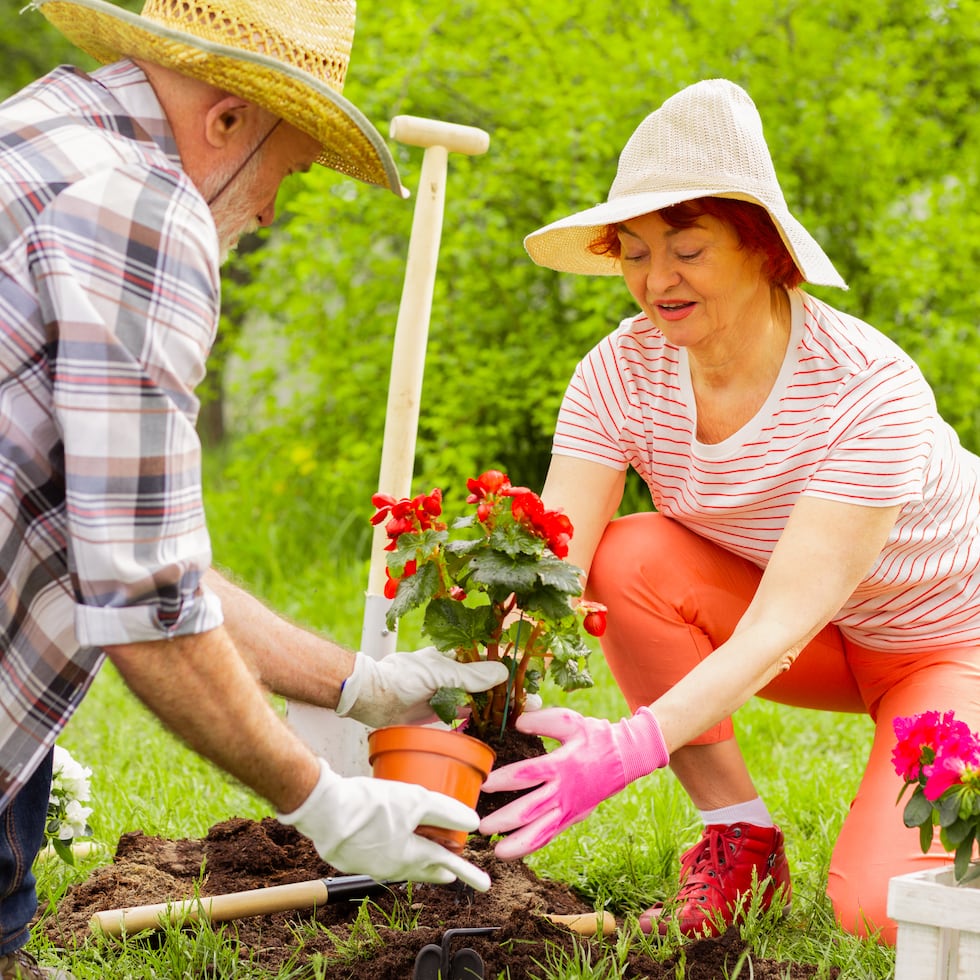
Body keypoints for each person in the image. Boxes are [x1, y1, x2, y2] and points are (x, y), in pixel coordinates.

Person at [0, 1, 509, 976]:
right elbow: (149, 605)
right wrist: (323, 800)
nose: (271, 209)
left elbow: (103, 540)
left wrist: (357, 685)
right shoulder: (144, 211)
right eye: (292, 170)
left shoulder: (44, 131)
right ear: (228, 119)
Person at [479, 78, 980, 945]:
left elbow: (778, 625)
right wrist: (469, 700)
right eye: (634, 251)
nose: (655, 280)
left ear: (765, 250)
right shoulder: (620, 373)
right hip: (831, 642)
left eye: (688, 249)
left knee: (883, 913)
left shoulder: (868, 393)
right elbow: (551, 566)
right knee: (627, 560)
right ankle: (740, 840)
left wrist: (628, 748)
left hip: (948, 647)